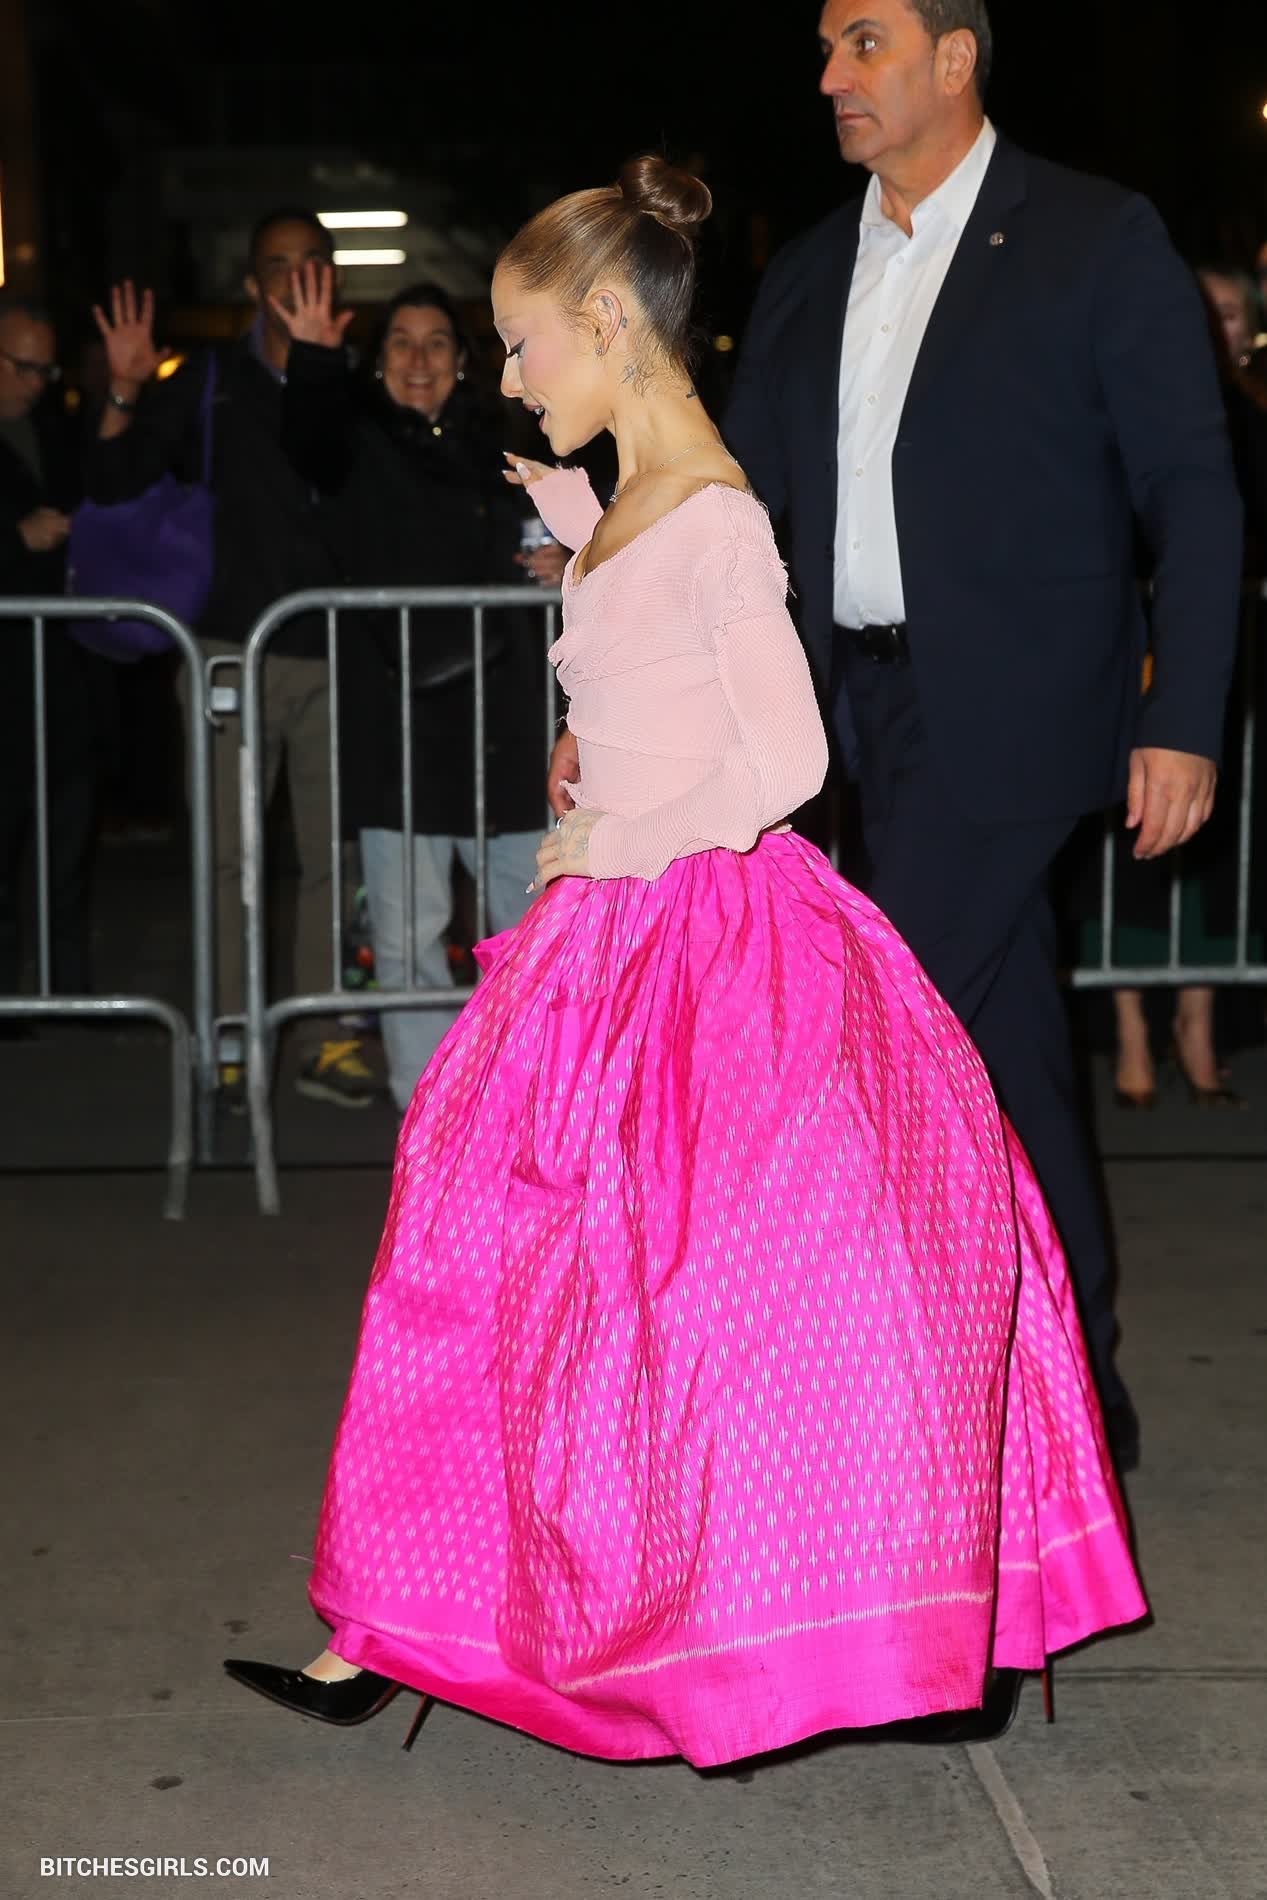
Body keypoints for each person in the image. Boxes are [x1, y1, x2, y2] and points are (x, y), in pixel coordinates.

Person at [224, 159, 1144, 1770]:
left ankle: (850, 1631)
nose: (512, 379)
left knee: (727, 1306)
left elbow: (787, 763)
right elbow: (636, 623)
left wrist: (615, 837)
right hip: (600, 939)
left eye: (522, 345)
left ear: (602, 322)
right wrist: (579, 586)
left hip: (699, 940)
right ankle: (391, 1620)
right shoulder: (638, 497)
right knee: (485, 1262)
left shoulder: (715, 515)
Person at [712, 0, 1245, 1473]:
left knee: (872, 1039)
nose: (829, 75)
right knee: (1005, 1057)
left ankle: (849, 1417)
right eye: (824, 47)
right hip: (845, 721)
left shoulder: (1091, 235)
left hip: (1014, 719)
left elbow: (1192, 490)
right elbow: (735, 503)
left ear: (954, 59)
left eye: (864, 43)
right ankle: (1076, 1397)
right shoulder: (807, 268)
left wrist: (1183, 718)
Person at [85, 211, 375, 1111]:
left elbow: (334, 473)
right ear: (253, 285)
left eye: (312, 261)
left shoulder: (354, 381)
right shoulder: (209, 380)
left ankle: (324, 1035)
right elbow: (113, 484)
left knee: (333, 860)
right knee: (228, 861)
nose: (296, 277)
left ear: (332, 276)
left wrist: (321, 368)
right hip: (224, 655)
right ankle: (230, 1034)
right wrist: (124, 389)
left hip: (331, 656)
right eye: (277, 265)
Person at [273, 268, 546, 1113]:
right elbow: (307, 441)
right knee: (406, 936)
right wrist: (314, 361)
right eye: (399, 343)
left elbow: (565, 526)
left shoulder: (510, 445)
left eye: (435, 343)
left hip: (506, 721)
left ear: (462, 360)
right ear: (376, 360)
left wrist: (567, 558)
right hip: (396, 725)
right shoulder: (354, 444)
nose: (418, 360)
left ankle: (526, 1109)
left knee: (529, 932)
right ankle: (430, 1114)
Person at [1087, 264, 1267, 1107]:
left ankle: (1198, 1025)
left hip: (1229, 663)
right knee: (1120, 843)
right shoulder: (1128, 404)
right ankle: (1129, 1031)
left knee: (1217, 848)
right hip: (1125, 655)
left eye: (1226, 312)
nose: (1210, 325)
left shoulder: (1252, 418)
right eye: (1200, 309)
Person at [0, 294, 106, 1009]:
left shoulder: (51, 429)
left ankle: (67, 989)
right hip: (11, 665)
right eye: (22, 367)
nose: (35, 383)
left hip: (59, 666)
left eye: (45, 369)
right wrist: (15, 540)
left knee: (66, 832)